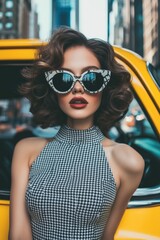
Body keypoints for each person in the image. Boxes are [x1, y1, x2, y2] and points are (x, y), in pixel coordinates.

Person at [9, 27, 144, 240]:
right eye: (64, 79)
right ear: (52, 88)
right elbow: (18, 235)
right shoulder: (26, 150)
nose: (78, 88)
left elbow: (105, 237)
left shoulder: (127, 161)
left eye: (91, 78)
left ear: (106, 86)